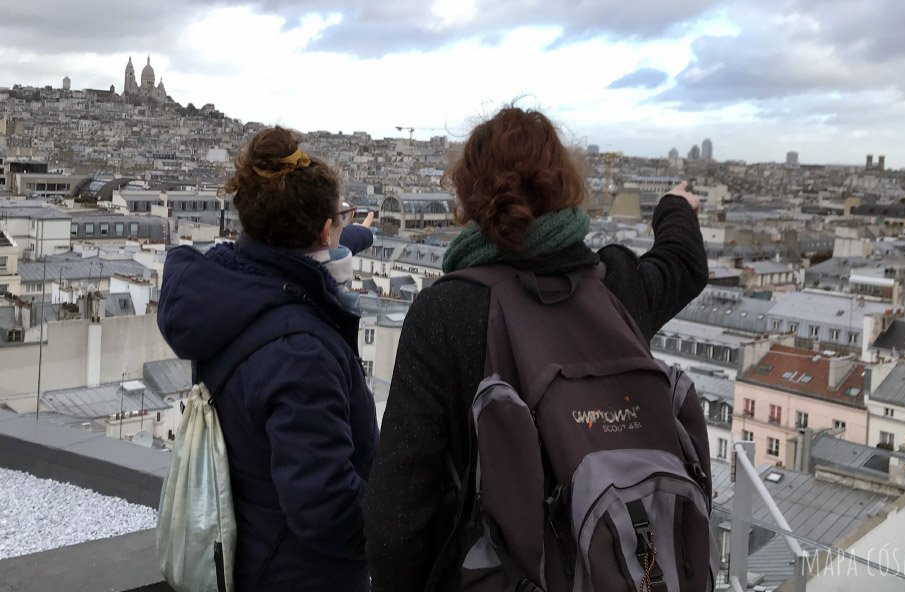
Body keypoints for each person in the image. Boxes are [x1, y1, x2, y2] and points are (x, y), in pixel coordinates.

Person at [364, 106, 709, 592]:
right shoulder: (616, 288)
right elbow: (684, 263)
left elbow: (397, 520)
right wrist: (675, 206)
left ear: (468, 195)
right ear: (564, 185)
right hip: (615, 564)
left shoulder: (447, 311)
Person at [158, 126, 378, 592]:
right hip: (302, 576)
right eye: (340, 217)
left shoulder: (234, 295)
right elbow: (327, 507)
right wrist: (403, 522)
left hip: (246, 555)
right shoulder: (302, 351)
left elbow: (309, 253)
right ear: (323, 230)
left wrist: (353, 232)